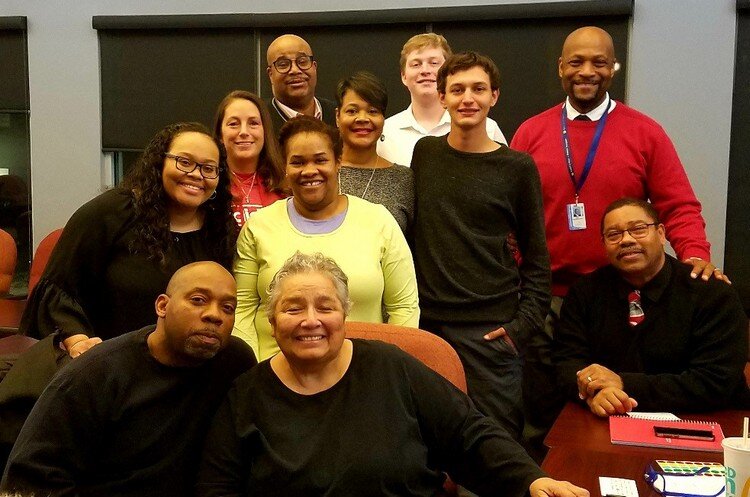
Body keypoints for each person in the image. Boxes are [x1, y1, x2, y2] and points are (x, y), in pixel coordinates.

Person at [196, 252, 589, 497]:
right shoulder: (247, 394)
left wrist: (529, 480)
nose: (310, 320)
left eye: (325, 307)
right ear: (272, 320)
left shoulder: (392, 366)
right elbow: (216, 488)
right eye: (294, 308)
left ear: (345, 314)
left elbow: (468, 434)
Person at [510, 25, 727, 448]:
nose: (586, 71)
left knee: (613, 405)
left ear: (614, 67)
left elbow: (678, 205)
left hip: (614, 300)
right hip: (545, 298)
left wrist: (695, 254)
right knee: (539, 410)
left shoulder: (645, 132)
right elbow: (510, 217)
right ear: (560, 67)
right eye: (576, 62)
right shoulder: (530, 133)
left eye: (599, 62)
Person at [1, 262, 257, 497]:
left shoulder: (235, 363)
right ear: (162, 306)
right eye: (198, 300)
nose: (214, 315)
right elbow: (29, 479)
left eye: (228, 308)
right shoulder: (96, 374)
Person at [411, 51, 550, 440]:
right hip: (429, 326)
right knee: (432, 444)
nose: (467, 98)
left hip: (490, 333)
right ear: (442, 97)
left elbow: (537, 258)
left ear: (494, 96)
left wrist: (521, 328)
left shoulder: (518, 168)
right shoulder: (425, 153)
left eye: (478, 89)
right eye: (457, 89)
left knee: (496, 445)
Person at [18, 121, 235, 351]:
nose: (196, 174)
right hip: (107, 359)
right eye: (184, 162)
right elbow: (58, 291)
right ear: (159, 162)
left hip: (192, 360)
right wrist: (79, 342)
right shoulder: (109, 213)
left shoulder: (220, 229)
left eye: (208, 168)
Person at [233, 116, 419, 361]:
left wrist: (389, 368)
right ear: (285, 167)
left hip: (362, 370)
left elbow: (404, 307)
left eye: (320, 160)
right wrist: (252, 369)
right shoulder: (258, 227)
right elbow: (242, 309)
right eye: (298, 162)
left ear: (338, 162)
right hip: (274, 371)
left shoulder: (379, 221)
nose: (310, 170)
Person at [554, 198, 749, 417]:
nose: (626, 240)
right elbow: (566, 364)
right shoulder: (585, 292)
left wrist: (624, 384)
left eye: (638, 229)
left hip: (707, 418)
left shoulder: (711, 293)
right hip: (608, 418)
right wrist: (594, 390)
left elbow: (716, 381)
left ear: (661, 233)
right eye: (614, 235)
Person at [377, 33, 507, 166]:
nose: (425, 70)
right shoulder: (384, 132)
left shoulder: (489, 128)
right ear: (404, 76)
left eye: (434, 63)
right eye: (416, 64)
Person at [335, 71, 414, 233]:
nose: (363, 118)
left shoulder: (403, 179)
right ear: (337, 116)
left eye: (372, 111)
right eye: (352, 111)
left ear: (383, 119)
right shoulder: (322, 172)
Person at [213, 90, 286, 229]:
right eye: (233, 124)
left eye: (253, 123)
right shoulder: (208, 185)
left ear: (265, 131)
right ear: (220, 134)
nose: (244, 132)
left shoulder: (285, 185)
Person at [265, 34, 337, 134]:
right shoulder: (260, 120)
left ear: (314, 67)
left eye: (302, 62)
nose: (295, 70)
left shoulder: (338, 116)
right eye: (283, 64)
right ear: (270, 74)